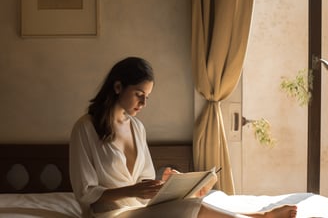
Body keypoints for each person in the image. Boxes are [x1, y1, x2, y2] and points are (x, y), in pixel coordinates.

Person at [69, 56, 297, 218]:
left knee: (189, 203)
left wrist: (167, 184)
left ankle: (257, 215)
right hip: (110, 214)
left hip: (139, 208)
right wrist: (132, 191)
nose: (144, 103)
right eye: (139, 95)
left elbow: (143, 181)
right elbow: (85, 194)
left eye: (147, 96)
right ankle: (258, 217)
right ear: (118, 86)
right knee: (187, 209)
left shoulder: (137, 128)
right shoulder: (85, 129)